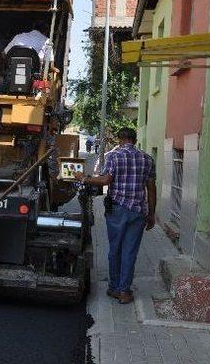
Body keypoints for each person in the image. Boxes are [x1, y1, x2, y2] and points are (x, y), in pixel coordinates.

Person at [75, 127, 156, 304]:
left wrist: (83, 178)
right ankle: (125, 292)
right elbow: (151, 188)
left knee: (115, 250)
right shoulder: (147, 159)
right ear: (134, 140)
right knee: (130, 252)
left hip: (118, 209)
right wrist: (152, 214)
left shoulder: (114, 155)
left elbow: (105, 180)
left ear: (120, 140)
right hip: (138, 212)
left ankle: (114, 287)